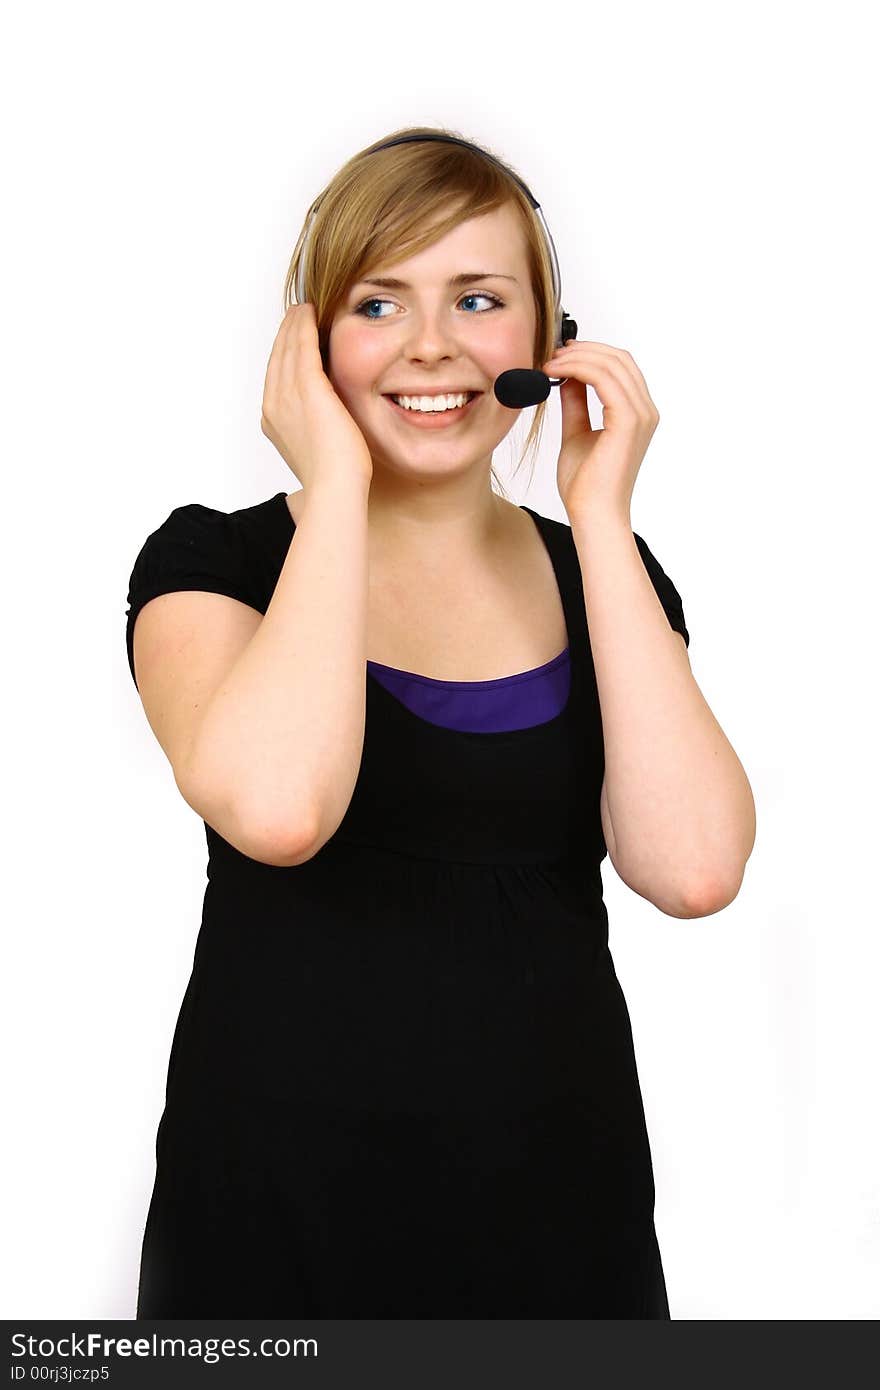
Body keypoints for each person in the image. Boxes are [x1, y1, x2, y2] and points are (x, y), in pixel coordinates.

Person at [124, 125, 756, 1318]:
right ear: (309, 343)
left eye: (478, 298)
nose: (430, 345)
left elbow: (693, 865)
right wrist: (342, 486)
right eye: (378, 302)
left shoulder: (605, 578)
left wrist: (602, 517)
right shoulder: (217, 560)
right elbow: (278, 806)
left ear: (547, 341)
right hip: (273, 1240)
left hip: (565, 1232)